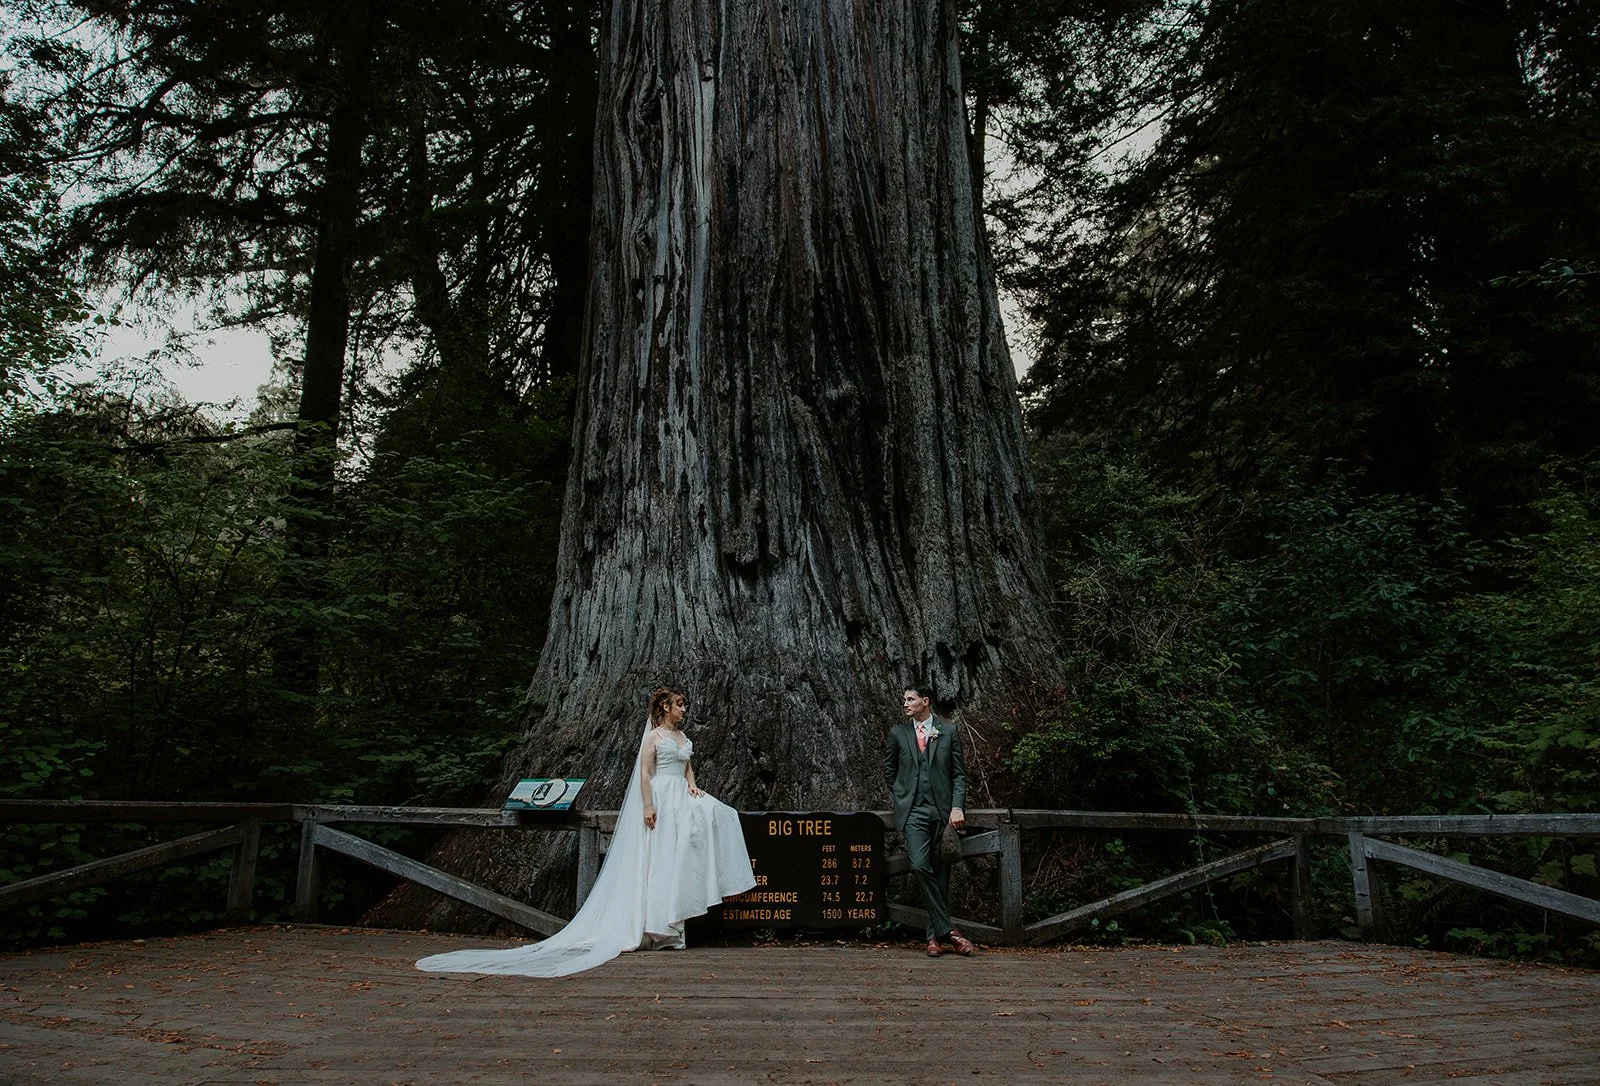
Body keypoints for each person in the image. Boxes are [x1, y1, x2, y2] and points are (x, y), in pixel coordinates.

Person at [416, 687, 755, 977]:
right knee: (658, 859)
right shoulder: (654, 737)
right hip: (662, 797)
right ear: (666, 707)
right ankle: (651, 926)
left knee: (685, 850)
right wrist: (648, 805)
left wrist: (693, 787)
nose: (684, 710)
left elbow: (688, 766)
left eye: (685, 705)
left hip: (681, 797)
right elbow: (645, 775)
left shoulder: (683, 738)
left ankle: (670, 929)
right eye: (679, 704)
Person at [883, 681, 975, 957]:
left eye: (910, 699)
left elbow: (959, 775)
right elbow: (890, 770)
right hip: (913, 814)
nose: (905, 703)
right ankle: (951, 932)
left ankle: (934, 938)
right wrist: (903, 794)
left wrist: (957, 807)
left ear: (926, 701)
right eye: (904, 699)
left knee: (940, 873)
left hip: (942, 812)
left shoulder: (948, 731)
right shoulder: (898, 733)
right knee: (920, 865)